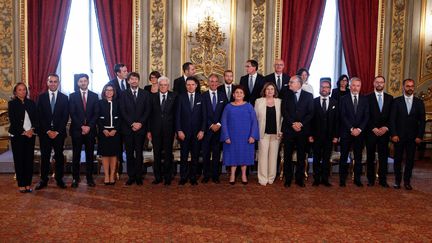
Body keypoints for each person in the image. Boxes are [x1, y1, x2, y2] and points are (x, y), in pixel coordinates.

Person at [35, 74, 69, 190]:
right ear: (47, 83)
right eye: (51, 81)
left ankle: (59, 179)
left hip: (59, 134)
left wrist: (57, 131)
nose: (53, 83)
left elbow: (65, 116)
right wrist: (48, 131)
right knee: (44, 157)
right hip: (45, 133)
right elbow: (39, 116)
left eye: (55, 81)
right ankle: (43, 180)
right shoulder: (41, 97)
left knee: (59, 157)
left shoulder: (64, 98)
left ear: (58, 83)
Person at [390, 78, 426, 190]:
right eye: (407, 86)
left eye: (412, 86)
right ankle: (397, 181)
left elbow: (422, 121)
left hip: (413, 137)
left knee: (410, 160)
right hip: (398, 137)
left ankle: (407, 181)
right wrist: (394, 134)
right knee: (398, 159)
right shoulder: (396, 101)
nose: (410, 88)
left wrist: (419, 136)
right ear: (403, 87)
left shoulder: (419, 103)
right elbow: (392, 120)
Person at [221, 85, 259, 185]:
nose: (238, 94)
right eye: (236, 92)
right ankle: (232, 175)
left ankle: (243, 175)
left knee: (244, 156)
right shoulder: (228, 106)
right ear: (233, 95)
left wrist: (253, 136)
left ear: (244, 95)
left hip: (246, 137)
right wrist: (226, 136)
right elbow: (223, 122)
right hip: (232, 137)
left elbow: (254, 122)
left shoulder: (249, 106)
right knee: (232, 156)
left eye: (241, 93)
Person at [281, 75, 314, 187]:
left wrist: (301, 123)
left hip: (302, 131)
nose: (289, 84)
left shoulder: (308, 96)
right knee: (287, 155)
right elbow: (284, 111)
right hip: (289, 130)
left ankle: (299, 179)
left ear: (299, 83)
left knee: (301, 156)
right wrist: (292, 123)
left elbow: (311, 113)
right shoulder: (286, 94)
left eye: (291, 82)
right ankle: (288, 179)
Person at [120, 72, 150, 186]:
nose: (133, 81)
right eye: (131, 79)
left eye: (135, 79)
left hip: (141, 129)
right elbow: (122, 111)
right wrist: (132, 123)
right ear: (128, 81)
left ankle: (139, 176)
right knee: (129, 153)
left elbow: (147, 111)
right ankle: (131, 176)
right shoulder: (123, 94)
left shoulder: (145, 94)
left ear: (138, 80)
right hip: (128, 129)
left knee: (139, 153)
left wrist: (140, 123)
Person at [69, 73, 99, 188]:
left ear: (88, 82)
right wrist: (82, 126)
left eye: (84, 81)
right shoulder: (72, 96)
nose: (83, 83)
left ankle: (89, 178)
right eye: (80, 81)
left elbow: (96, 113)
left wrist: (88, 126)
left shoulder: (94, 96)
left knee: (90, 155)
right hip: (77, 130)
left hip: (90, 131)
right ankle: (75, 178)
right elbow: (72, 113)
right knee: (76, 155)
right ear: (78, 83)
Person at [339, 77, 369, 187]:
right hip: (347, 132)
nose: (355, 88)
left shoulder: (365, 99)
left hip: (360, 134)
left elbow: (366, 116)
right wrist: (351, 129)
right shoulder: (343, 99)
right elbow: (342, 116)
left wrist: (359, 129)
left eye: (358, 86)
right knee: (344, 156)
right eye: (354, 85)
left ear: (360, 87)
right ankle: (342, 179)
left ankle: (357, 179)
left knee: (358, 157)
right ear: (350, 86)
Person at [147, 76, 177, 186]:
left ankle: (168, 177)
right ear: (158, 85)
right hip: (155, 131)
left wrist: (176, 131)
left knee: (168, 155)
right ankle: (158, 177)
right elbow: (149, 115)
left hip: (169, 130)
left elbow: (176, 115)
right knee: (157, 154)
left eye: (165, 85)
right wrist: (149, 131)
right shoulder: (152, 97)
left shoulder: (174, 96)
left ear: (168, 86)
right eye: (161, 85)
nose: (163, 87)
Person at [175, 77, 206, 185]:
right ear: (185, 86)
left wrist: (202, 130)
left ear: (196, 85)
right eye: (188, 84)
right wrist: (179, 130)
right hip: (184, 133)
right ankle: (183, 177)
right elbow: (177, 116)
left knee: (195, 156)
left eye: (192, 84)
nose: (190, 86)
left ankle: (193, 177)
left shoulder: (201, 98)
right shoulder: (180, 97)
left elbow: (204, 116)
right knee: (183, 156)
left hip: (197, 133)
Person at [309, 78, 339, 187]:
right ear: (319, 88)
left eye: (327, 87)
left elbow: (337, 121)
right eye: (322, 87)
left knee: (326, 158)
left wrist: (336, 136)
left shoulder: (335, 102)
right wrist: (310, 135)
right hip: (316, 136)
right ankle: (316, 179)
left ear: (330, 90)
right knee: (316, 158)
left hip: (329, 136)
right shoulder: (314, 101)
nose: (324, 89)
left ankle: (325, 179)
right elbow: (310, 120)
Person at [8, 82, 37, 193]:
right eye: (19, 90)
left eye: (24, 89)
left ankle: (28, 184)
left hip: (31, 134)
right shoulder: (12, 104)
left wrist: (32, 130)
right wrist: (24, 132)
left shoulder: (31, 103)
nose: (22, 91)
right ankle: (21, 184)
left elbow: (35, 119)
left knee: (29, 160)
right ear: (15, 92)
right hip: (17, 135)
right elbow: (13, 121)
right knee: (19, 160)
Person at [366, 76, 393, 187]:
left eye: (381, 82)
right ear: (373, 83)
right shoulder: (367, 98)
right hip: (371, 132)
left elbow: (392, 116)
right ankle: (370, 179)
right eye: (377, 82)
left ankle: (383, 180)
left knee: (383, 157)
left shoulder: (390, 98)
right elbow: (365, 115)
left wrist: (385, 127)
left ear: (384, 84)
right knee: (370, 156)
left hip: (384, 133)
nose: (379, 84)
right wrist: (373, 128)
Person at [202, 74, 228, 184]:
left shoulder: (223, 96)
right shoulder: (203, 96)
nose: (213, 83)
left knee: (217, 154)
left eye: (215, 81)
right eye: (211, 81)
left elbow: (225, 112)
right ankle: (206, 175)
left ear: (218, 83)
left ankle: (215, 176)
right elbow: (202, 113)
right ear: (208, 83)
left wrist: (218, 124)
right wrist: (210, 125)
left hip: (219, 129)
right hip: (207, 129)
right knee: (206, 154)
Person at [255, 82, 282, 186]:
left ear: (274, 91)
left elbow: (282, 118)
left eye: (272, 89)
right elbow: (255, 118)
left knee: (273, 157)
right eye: (268, 89)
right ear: (264, 91)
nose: (270, 91)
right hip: (263, 134)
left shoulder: (279, 102)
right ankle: (262, 178)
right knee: (262, 156)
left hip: (276, 134)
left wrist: (281, 131)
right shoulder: (258, 101)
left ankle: (271, 177)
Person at [107, 63, 129, 177]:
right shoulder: (111, 84)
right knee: (118, 146)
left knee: (129, 146)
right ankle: (117, 171)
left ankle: (131, 171)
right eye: (124, 71)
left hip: (128, 121)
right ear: (118, 73)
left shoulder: (129, 83)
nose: (127, 73)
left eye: (126, 70)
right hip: (117, 121)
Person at [97, 84, 121, 185]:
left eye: (111, 90)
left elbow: (121, 117)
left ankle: (112, 175)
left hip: (115, 132)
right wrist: (103, 130)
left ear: (114, 92)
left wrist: (115, 129)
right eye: (107, 90)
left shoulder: (118, 103)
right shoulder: (99, 103)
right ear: (104, 92)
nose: (109, 92)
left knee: (114, 154)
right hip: (104, 133)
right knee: (105, 154)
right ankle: (106, 175)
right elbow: (97, 117)